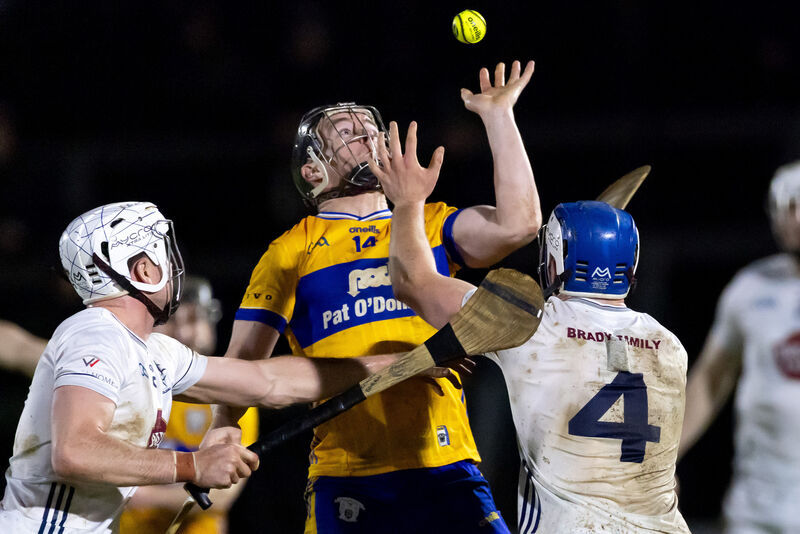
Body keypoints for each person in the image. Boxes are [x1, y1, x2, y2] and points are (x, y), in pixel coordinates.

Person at [209, 60, 540, 533]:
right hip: (348, 477)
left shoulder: (426, 222)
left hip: (446, 464)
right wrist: (220, 435)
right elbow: (241, 368)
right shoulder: (290, 250)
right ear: (312, 169)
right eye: (345, 130)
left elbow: (520, 223)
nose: (364, 132)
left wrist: (498, 116)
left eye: (368, 126)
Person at [0, 201, 452, 534]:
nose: (174, 266)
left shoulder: (153, 350)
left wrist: (396, 363)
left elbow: (267, 382)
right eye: (164, 253)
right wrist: (193, 465)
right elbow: (75, 451)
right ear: (141, 269)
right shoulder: (95, 334)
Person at [372, 127, 690, 533]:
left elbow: (413, 282)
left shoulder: (532, 325)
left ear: (555, 257)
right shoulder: (669, 346)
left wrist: (408, 202)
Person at [0, 278, 259, 534]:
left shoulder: (226, 404)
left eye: (193, 320)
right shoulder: (109, 373)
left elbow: (221, 497)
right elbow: (21, 348)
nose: (183, 333)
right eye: (172, 322)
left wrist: (140, 491)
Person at [678, 161, 800, 533]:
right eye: (787, 205)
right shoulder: (750, 288)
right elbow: (709, 382)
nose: (795, 216)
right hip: (756, 503)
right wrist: (659, 463)